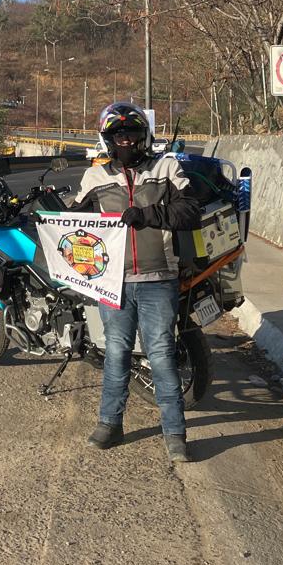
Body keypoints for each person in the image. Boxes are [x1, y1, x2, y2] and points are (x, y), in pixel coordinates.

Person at [75, 102, 201, 463]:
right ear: (107, 140)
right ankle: (109, 423)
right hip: (112, 283)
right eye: (117, 135)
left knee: (160, 354)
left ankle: (175, 433)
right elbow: (74, 221)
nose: (125, 140)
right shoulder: (95, 178)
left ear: (143, 136)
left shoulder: (166, 168)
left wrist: (147, 215)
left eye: (131, 133)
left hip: (159, 277)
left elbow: (190, 210)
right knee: (115, 353)